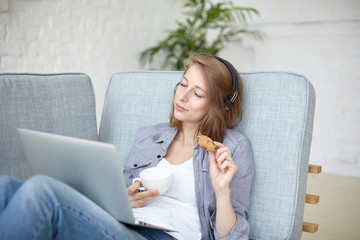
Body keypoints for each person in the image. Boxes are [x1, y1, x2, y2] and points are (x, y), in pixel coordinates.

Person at [0, 53, 254, 240]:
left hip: (166, 236)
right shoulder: (150, 136)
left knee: (41, 190)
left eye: (198, 94)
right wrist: (125, 199)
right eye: (183, 84)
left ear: (220, 105)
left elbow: (231, 236)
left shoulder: (231, 148)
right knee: (6, 186)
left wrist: (222, 191)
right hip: (124, 224)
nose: (182, 96)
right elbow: (118, 194)